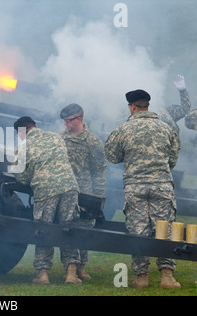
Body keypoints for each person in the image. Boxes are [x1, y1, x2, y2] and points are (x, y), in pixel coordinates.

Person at [105, 89, 181, 289]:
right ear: (147, 105)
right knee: (164, 229)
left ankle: (141, 277)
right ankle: (167, 276)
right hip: (162, 184)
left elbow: (111, 156)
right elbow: (172, 159)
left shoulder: (123, 129)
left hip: (135, 186)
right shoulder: (165, 128)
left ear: (132, 107)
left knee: (137, 230)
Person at [13, 116, 82, 285]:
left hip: (45, 190)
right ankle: (71, 273)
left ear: (20, 133)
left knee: (44, 230)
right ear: (36, 126)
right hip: (69, 186)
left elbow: (20, 177)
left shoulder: (22, 146)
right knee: (69, 228)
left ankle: (42, 274)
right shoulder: (55, 137)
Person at [59, 103, 107, 281]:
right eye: (64, 121)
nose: (65, 124)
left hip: (86, 193)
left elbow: (99, 170)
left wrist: (98, 196)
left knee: (86, 230)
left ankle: (81, 268)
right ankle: (70, 269)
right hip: (67, 191)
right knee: (69, 229)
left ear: (79, 118)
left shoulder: (92, 141)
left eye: (68, 121)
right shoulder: (60, 138)